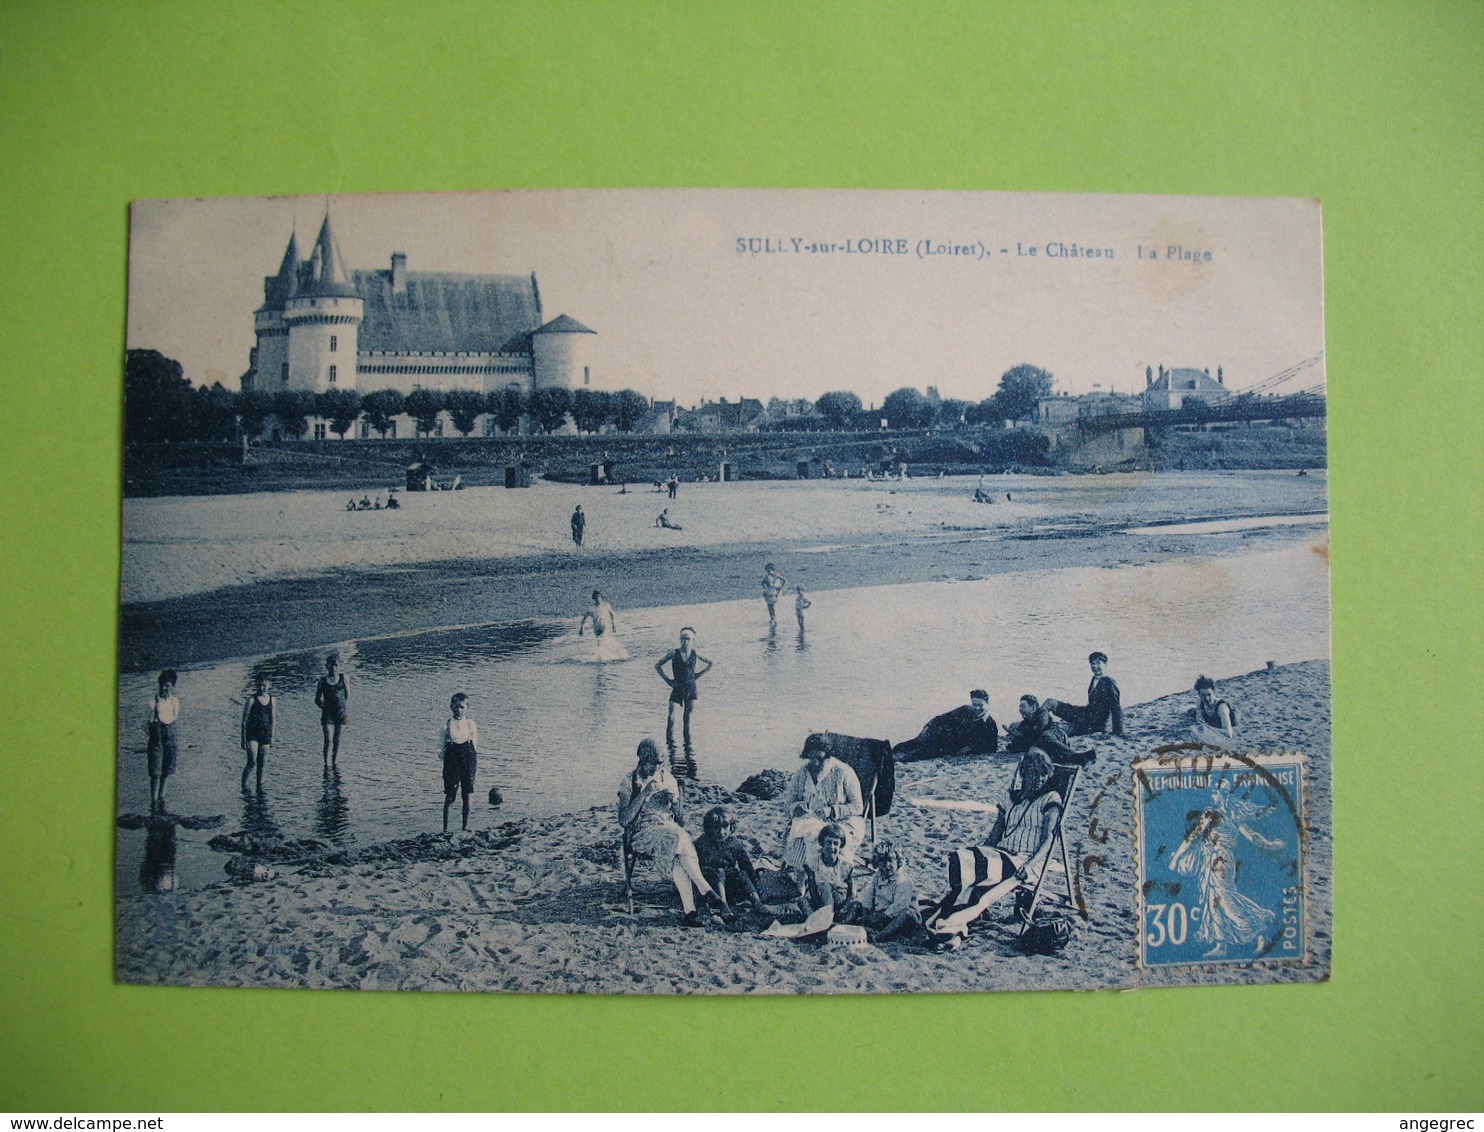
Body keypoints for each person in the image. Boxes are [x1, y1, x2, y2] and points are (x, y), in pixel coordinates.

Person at [921, 746, 1071, 950]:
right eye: (1033, 774)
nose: (1038, 780)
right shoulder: (1011, 798)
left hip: (1023, 861)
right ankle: (948, 923)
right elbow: (994, 835)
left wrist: (1029, 866)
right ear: (1024, 774)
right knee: (962, 860)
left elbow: (1047, 841)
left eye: (1043, 775)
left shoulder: (1050, 799)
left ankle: (947, 928)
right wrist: (977, 854)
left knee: (982, 890)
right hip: (1001, 854)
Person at [617, 739, 731, 927]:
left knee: (679, 844)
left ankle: (691, 912)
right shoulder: (629, 781)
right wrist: (644, 795)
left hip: (668, 828)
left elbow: (680, 820)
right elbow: (623, 820)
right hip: (642, 832)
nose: (659, 767)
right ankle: (707, 891)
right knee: (680, 838)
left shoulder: (667, 778)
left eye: (661, 763)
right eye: (654, 762)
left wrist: (675, 805)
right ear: (643, 760)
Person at [1169, 777, 1284, 958]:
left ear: (1223, 795)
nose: (1213, 794)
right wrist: (1270, 844)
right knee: (1211, 899)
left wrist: (1176, 857)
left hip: (1220, 861)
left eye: (1216, 792)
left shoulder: (1216, 814)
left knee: (1224, 897)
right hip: (1210, 860)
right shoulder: (1225, 815)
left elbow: (1194, 836)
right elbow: (1196, 836)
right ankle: (1221, 945)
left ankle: (1259, 930)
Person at [782, 734, 865, 872]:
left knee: (825, 841)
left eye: (820, 759)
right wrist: (796, 807)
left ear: (829, 756)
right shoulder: (802, 773)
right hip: (812, 820)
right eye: (811, 758)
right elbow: (789, 803)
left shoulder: (843, 772)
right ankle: (804, 877)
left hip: (842, 822)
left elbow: (858, 807)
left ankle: (830, 877)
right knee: (802, 837)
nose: (815, 763)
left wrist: (832, 810)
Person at [891, 689, 1000, 762]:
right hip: (941, 736)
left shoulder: (990, 724)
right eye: (974, 704)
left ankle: (896, 759)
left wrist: (970, 748)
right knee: (916, 743)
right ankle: (889, 752)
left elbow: (991, 747)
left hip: (951, 747)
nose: (976, 708)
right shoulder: (965, 710)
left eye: (980, 705)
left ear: (987, 703)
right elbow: (941, 718)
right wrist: (928, 728)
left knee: (923, 753)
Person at [694, 806, 763, 910]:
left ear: (731, 827)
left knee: (742, 873)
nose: (721, 832)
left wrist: (754, 882)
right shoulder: (702, 843)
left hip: (730, 886)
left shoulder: (734, 843)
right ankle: (723, 906)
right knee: (719, 872)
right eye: (716, 827)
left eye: (725, 827)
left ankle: (757, 902)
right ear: (708, 828)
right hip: (711, 887)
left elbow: (746, 865)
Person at [654, 628, 712, 749]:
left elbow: (711, 663)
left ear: (692, 640)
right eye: (683, 638)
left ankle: (688, 748)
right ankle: (670, 746)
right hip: (677, 688)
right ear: (680, 640)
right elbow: (658, 665)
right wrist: (668, 680)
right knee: (671, 717)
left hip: (691, 687)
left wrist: (697, 675)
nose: (685, 641)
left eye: (688, 639)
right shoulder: (673, 653)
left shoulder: (695, 653)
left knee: (687, 720)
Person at [1046, 652, 1125, 737]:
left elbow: (1116, 707)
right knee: (1051, 702)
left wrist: (1118, 731)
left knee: (1058, 729)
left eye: (1098, 663)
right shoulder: (1095, 678)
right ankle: (1034, 722)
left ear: (1105, 664)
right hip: (1084, 714)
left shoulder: (1109, 682)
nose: (1095, 666)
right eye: (1093, 663)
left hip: (1093, 724)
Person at [855, 842, 921, 941]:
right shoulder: (878, 876)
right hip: (881, 914)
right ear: (877, 863)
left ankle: (880, 937)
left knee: (907, 914)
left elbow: (899, 906)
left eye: (890, 861)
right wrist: (865, 915)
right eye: (882, 862)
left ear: (898, 861)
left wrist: (879, 917)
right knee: (856, 905)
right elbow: (869, 897)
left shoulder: (903, 881)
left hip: (899, 917)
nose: (887, 865)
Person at [1003, 695, 1094, 766]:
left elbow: (1038, 729)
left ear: (1033, 707)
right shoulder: (1025, 722)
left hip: (1057, 735)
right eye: (1020, 707)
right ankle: (1071, 758)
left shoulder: (1042, 713)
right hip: (1047, 743)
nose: (1020, 710)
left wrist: (1022, 734)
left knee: (1044, 736)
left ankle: (1076, 756)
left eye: (1023, 706)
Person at [801, 823, 862, 918]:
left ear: (840, 845)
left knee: (826, 887)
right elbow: (812, 888)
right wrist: (822, 907)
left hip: (839, 900)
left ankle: (827, 918)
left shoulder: (846, 865)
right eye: (828, 843)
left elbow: (851, 893)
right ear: (822, 843)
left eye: (836, 844)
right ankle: (820, 918)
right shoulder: (813, 863)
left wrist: (843, 908)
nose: (832, 847)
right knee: (803, 900)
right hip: (818, 899)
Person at [440, 692, 479, 832]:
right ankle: (446, 829)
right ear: (451, 707)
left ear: (467, 707)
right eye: (456, 707)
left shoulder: (471, 724)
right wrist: (446, 762)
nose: (459, 710)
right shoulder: (447, 725)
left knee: (467, 793)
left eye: (462, 707)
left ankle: (465, 827)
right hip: (452, 760)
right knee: (450, 794)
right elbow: (442, 747)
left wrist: (473, 762)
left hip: (468, 758)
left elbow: (475, 744)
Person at [145, 669, 180, 811]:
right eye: (163, 685)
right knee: (155, 773)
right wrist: (154, 735)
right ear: (159, 685)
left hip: (170, 739)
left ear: (172, 686)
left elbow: (174, 718)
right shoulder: (152, 703)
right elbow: (145, 725)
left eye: (168, 686)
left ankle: (162, 800)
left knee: (167, 771)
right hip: (156, 740)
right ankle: (153, 803)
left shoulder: (174, 702)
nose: (165, 688)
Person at [314, 652, 349, 766]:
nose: (333, 668)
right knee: (328, 738)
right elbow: (317, 699)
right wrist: (323, 707)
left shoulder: (344, 678)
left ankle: (334, 762)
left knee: (337, 740)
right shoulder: (322, 681)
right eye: (331, 665)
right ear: (327, 666)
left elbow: (347, 695)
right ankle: (325, 762)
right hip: (327, 713)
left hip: (340, 713)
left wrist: (341, 705)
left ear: (340, 666)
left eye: (336, 665)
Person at [239, 674, 275, 788]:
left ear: (269, 685)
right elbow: (244, 721)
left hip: (266, 734)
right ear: (255, 685)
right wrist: (243, 739)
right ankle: (244, 787)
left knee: (262, 764)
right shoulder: (251, 700)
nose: (262, 688)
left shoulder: (272, 700)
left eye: (264, 685)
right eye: (259, 685)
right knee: (252, 762)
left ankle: (260, 788)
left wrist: (272, 737)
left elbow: (273, 719)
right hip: (252, 734)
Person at [578, 590, 629, 662]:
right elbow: (584, 618)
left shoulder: (606, 605)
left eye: (599, 597)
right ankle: (601, 656)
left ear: (602, 598)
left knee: (604, 638)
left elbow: (612, 615)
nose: (598, 599)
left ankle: (607, 654)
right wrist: (581, 628)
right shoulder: (592, 608)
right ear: (594, 599)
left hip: (605, 626)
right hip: (597, 627)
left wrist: (613, 625)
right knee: (599, 641)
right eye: (596, 598)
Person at [1185, 675, 1238, 744]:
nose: (1206, 698)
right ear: (1199, 694)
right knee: (1189, 712)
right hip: (1210, 719)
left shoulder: (1221, 708)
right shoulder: (1200, 701)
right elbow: (1199, 719)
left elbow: (1229, 733)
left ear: (1214, 692)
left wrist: (1207, 729)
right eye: (1203, 695)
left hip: (1227, 720)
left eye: (1209, 694)